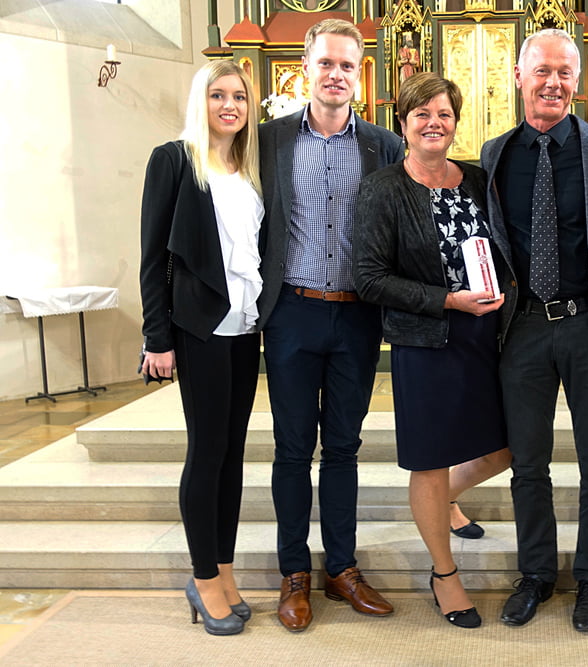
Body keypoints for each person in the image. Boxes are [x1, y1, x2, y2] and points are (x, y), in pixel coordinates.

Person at [480, 28, 588, 632]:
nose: (553, 82)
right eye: (541, 70)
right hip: (523, 329)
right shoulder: (494, 154)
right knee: (528, 464)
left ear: (579, 78)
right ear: (519, 77)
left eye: (564, 72)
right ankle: (537, 574)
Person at [256, 18, 405, 633]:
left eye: (347, 65)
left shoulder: (382, 145)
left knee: (343, 447)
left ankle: (341, 568)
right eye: (326, 63)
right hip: (291, 311)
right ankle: (295, 573)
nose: (336, 74)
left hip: (356, 314)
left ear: (358, 73)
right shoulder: (267, 140)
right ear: (306, 67)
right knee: (293, 449)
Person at [354, 72, 514, 629]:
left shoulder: (477, 179)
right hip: (424, 342)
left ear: (455, 122)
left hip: (485, 336)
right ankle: (444, 574)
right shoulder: (383, 188)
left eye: (443, 114)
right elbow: (370, 278)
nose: (433, 123)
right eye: (421, 113)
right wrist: (448, 300)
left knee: (506, 448)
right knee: (430, 460)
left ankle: (446, 498)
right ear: (403, 122)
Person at [139, 60, 263, 636]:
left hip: (245, 325)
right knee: (207, 450)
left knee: (233, 453)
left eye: (238, 96)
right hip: (198, 326)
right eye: (218, 95)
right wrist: (156, 338)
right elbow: (152, 257)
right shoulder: (173, 160)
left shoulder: (250, 166)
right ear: (201, 101)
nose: (229, 106)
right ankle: (203, 577)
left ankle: (226, 570)